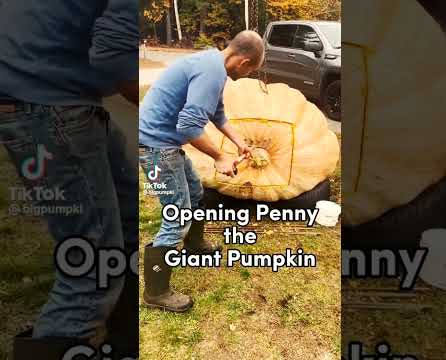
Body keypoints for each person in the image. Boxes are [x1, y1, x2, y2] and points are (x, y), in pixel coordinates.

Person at [0, 0, 138, 358]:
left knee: (128, 218)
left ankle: (125, 342)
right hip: (50, 107)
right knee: (91, 265)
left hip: (48, 95)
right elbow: (116, 58)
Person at [139, 30, 265, 312]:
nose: (246, 76)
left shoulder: (213, 63)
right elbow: (188, 126)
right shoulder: (211, 72)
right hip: (157, 147)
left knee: (195, 193)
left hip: (164, 142)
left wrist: (240, 143)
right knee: (177, 215)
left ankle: (194, 245)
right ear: (243, 62)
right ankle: (156, 292)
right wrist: (220, 156)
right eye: (250, 71)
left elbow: (216, 113)